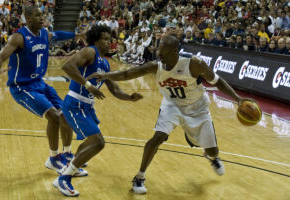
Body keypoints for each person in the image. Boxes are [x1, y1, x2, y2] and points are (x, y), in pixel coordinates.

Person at [88, 35, 253, 194]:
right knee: (157, 137)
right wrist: (105, 75)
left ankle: (212, 157)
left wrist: (237, 98)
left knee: (213, 150)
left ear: (175, 50)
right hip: (172, 105)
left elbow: (217, 81)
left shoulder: (194, 64)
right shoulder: (156, 66)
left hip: (198, 108)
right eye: (159, 47)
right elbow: (127, 74)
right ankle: (139, 176)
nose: (159, 52)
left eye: (163, 49)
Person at [0, 6, 85, 175]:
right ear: (27, 18)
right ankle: (53, 158)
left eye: (42, 15)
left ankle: (67, 154)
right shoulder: (19, 37)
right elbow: (0, 56)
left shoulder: (43, 33)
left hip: (39, 82)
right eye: (38, 15)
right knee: (54, 116)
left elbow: (58, 35)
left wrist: (77, 35)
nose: (42, 18)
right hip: (22, 87)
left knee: (66, 114)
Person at [52, 25, 143, 197]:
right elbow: (67, 66)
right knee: (98, 142)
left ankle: (71, 165)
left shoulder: (105, 63)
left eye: (110, 39)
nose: (110, 42)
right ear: (96, 40)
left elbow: (115, 90)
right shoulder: (90, 51)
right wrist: (88, 85)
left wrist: (130, 97)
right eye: (105, 39)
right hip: (75, 103)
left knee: (91, 142)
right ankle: (63, 179)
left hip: (86, 106)